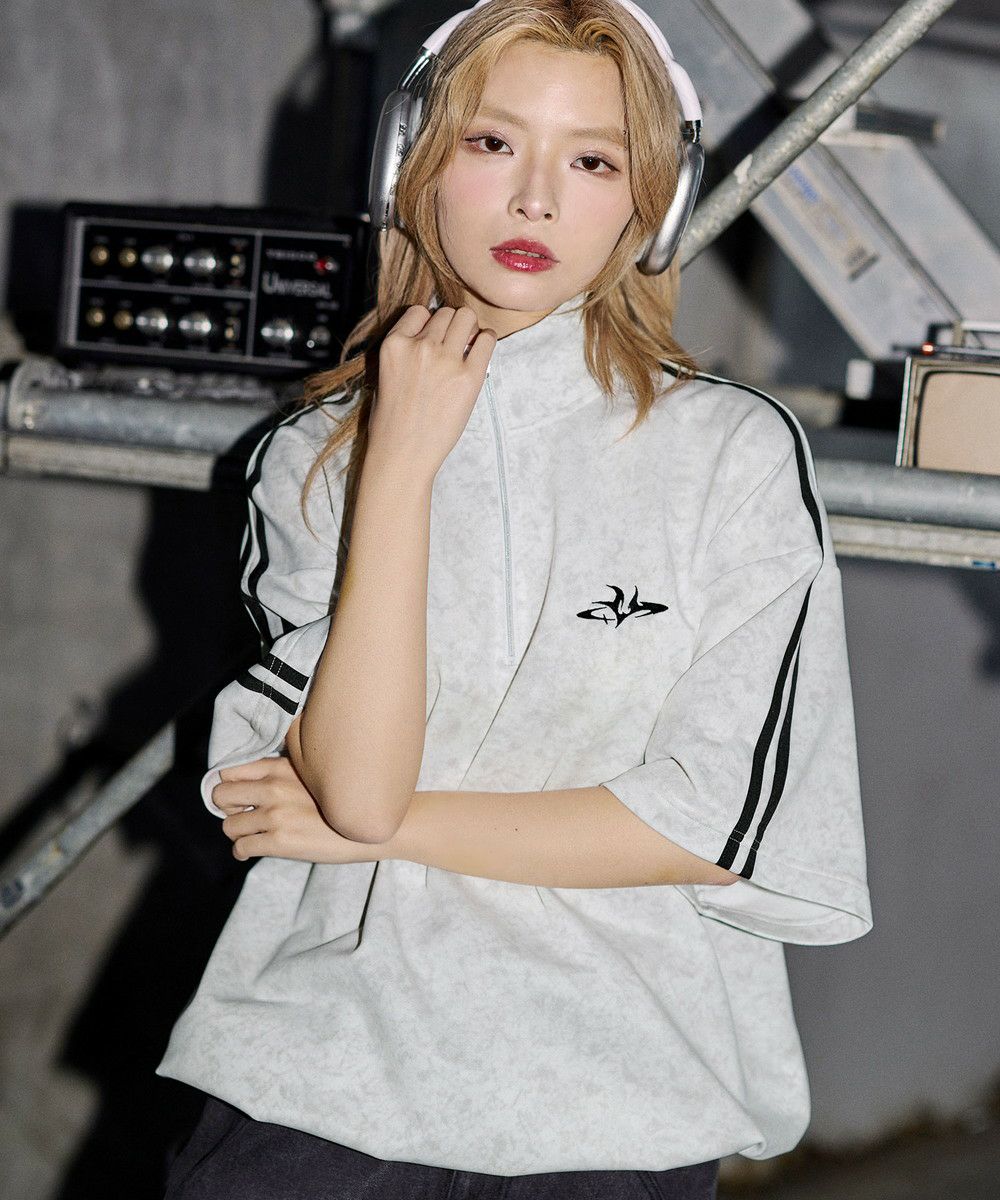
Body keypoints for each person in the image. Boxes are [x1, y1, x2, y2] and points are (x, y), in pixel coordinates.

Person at [156, 1, 872, 1197]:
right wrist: (399, 464)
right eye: (492, 143)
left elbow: (704, 826)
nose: (535, 199)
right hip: (319, 1078)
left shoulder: (731, 456)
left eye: (593, 161)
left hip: (616, 1095)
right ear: (414, 161)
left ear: (652, 204)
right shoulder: (317, 455)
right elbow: (357, 786)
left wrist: (397, 829)